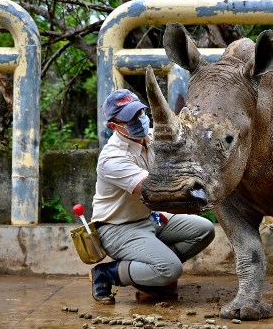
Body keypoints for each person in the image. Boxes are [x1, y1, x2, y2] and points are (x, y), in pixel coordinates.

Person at [90, 89, 215, 305]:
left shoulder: (150, 137)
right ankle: (108, 273)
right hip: (117, 228)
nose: (139, 120)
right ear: (114, 126)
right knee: (170, 269)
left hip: (149, 218)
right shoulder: (112, 158)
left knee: (204, 230)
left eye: (140, 113)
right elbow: (153, 189)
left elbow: (187, 141)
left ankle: (150, 275)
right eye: (130, 118)